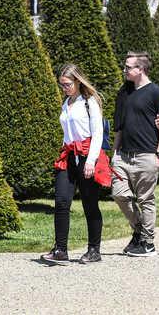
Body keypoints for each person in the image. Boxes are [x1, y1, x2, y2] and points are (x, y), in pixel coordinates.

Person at [41, 63, 109, 265]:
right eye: (62, 85)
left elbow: (97, 134)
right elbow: (67, 132)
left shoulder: (89, 103)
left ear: (78, 81)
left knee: (90, 204)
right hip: (69, 155)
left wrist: (90, 161)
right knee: (61, 201)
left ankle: (94, 250)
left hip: (88, 155)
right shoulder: (66, 102)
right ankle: (60, 249)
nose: (64, 88)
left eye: (67, 84)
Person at [111, 52, 159, 257]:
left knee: (146, 199)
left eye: (128, 67)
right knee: (119, 194)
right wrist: (114, 153)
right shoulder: (125, 92)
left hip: (147, 155)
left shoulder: (156, 93)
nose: (125, 70)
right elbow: (119, 126)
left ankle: (148, 242)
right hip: (123, 155)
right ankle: (138, 229)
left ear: (141, 69)